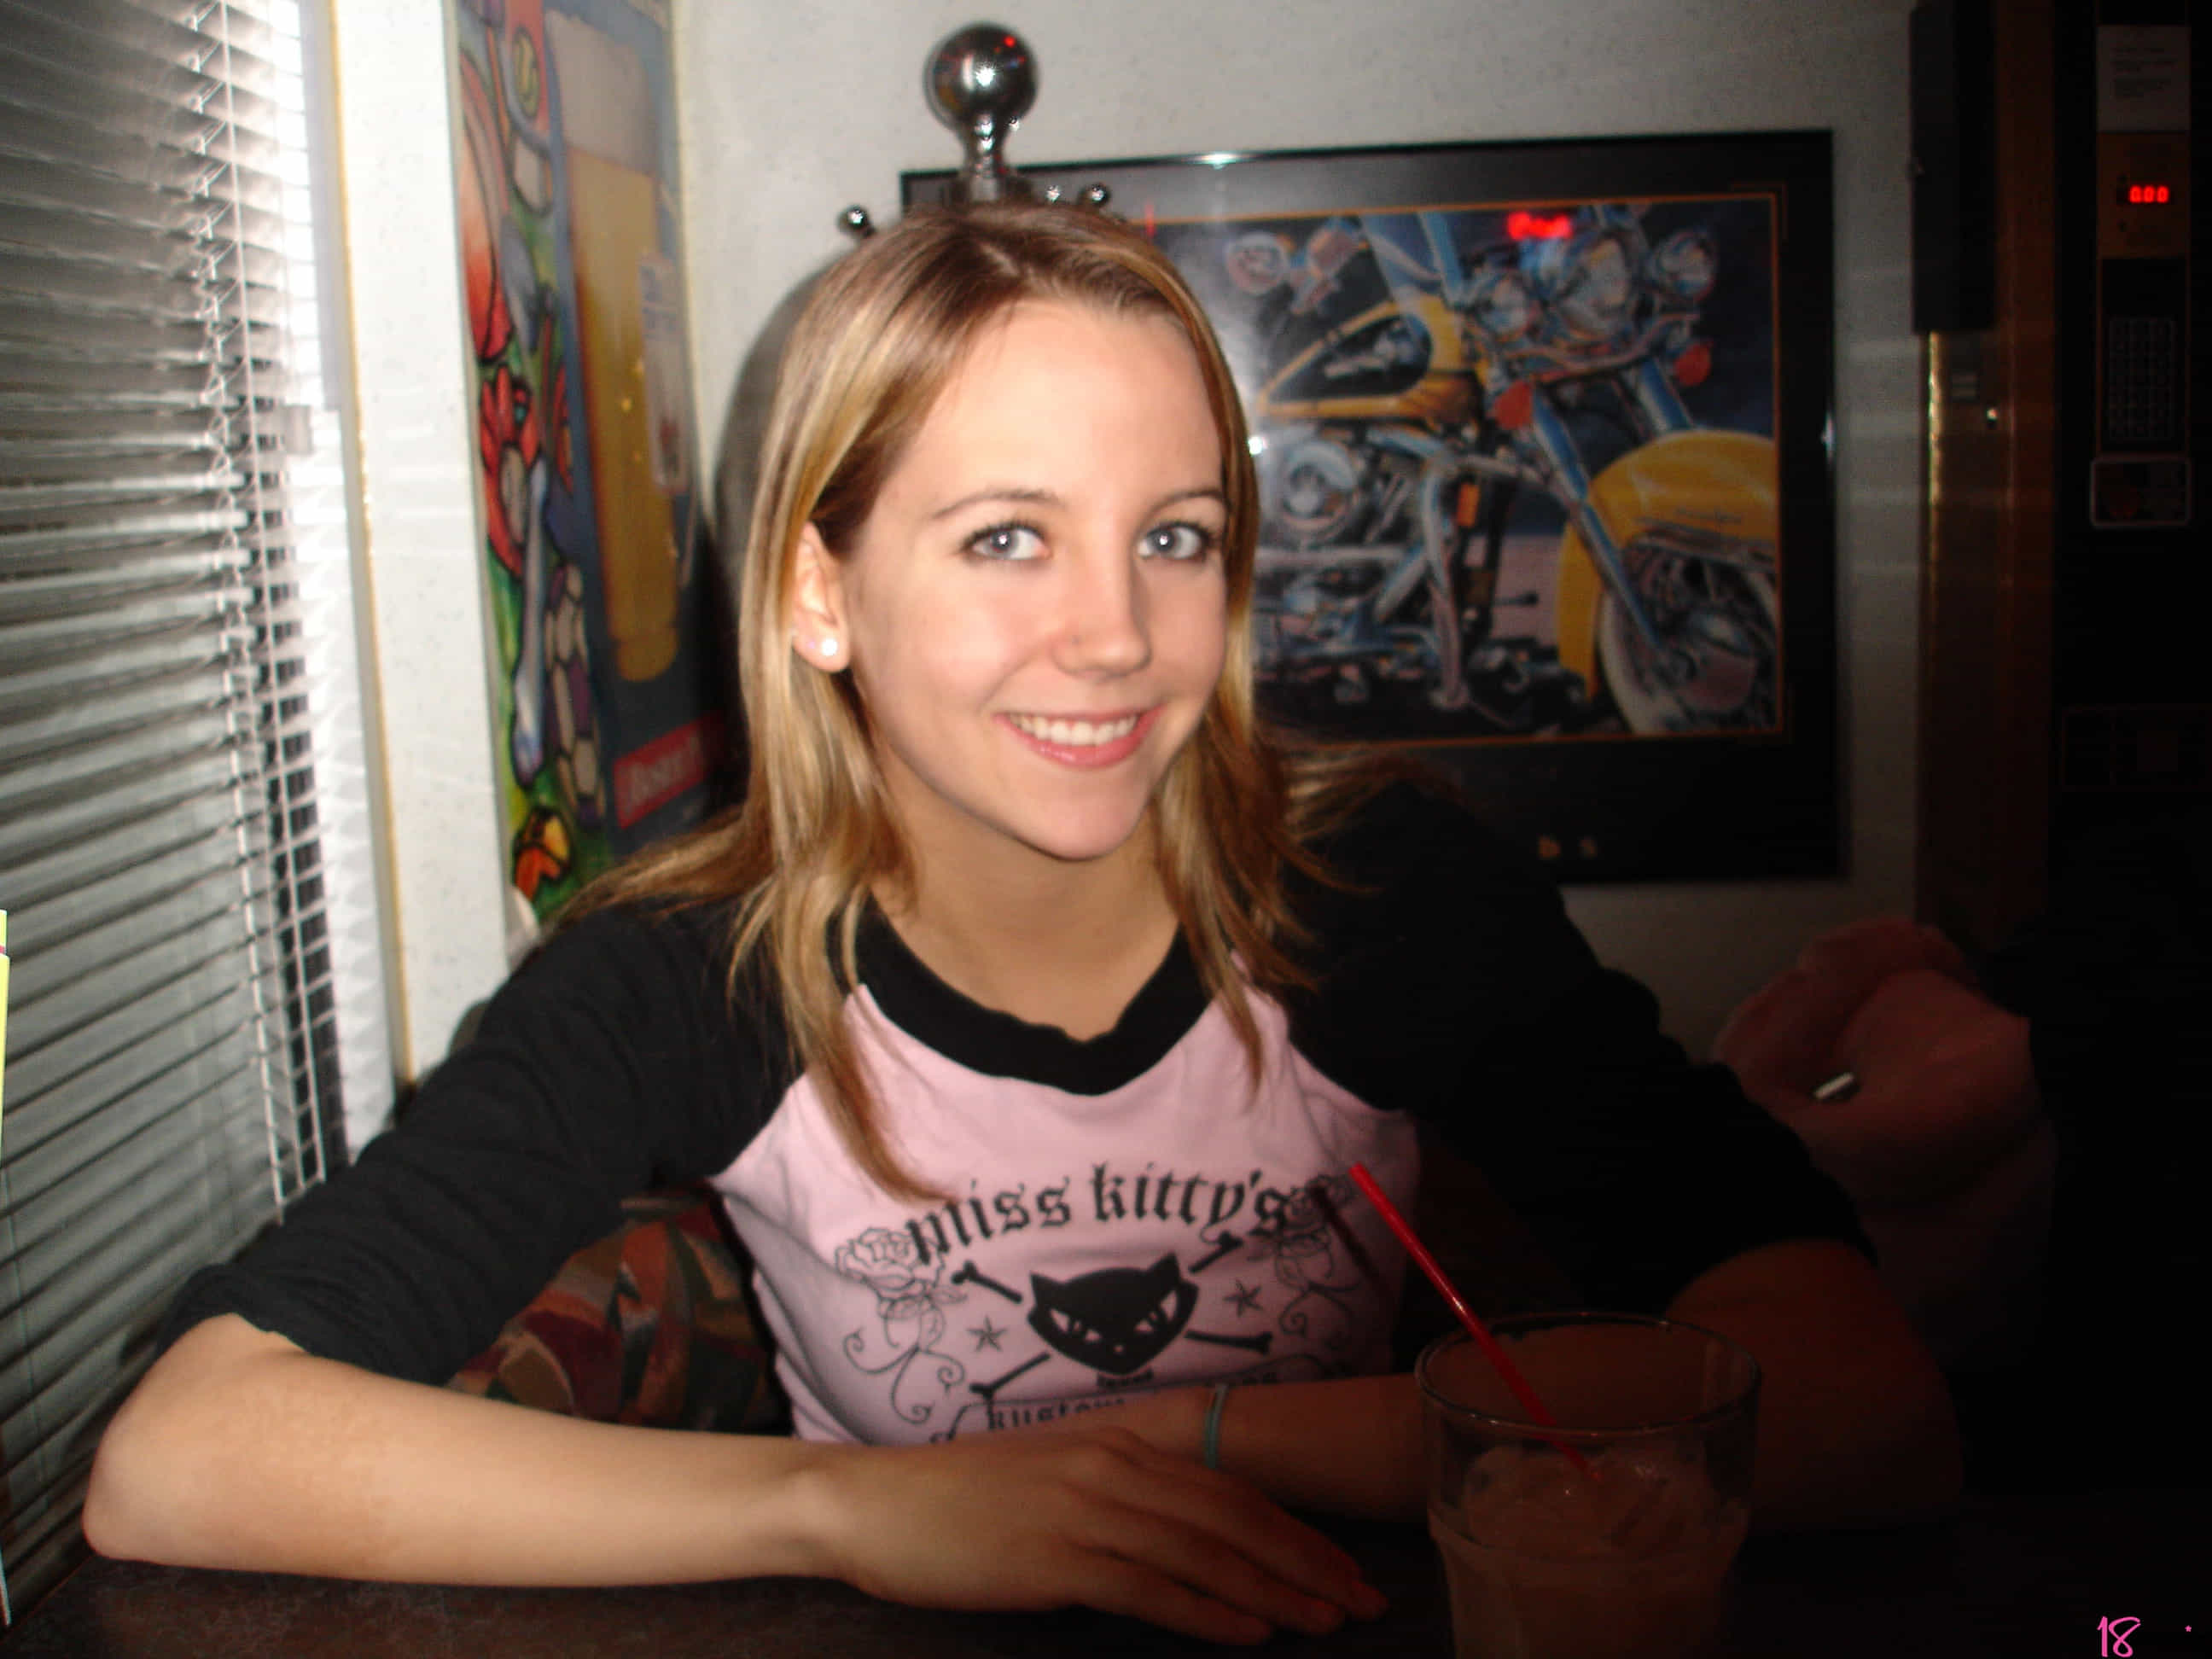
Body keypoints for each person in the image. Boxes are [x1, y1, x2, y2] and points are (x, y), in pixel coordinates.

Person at [85, 202, 1959, 1644]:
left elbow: (1870, 1406)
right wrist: (849, 1511)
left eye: (1175, 536)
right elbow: (183, 1454)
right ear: (820, 593)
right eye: (1006, 537)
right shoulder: (696, 976)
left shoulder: (1378, 898)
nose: (1118, 637)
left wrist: (1181, 1449)